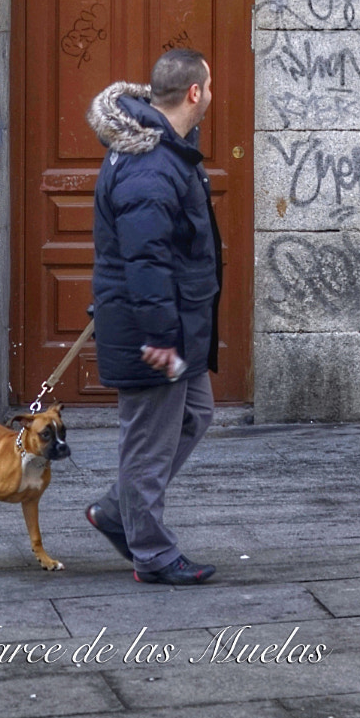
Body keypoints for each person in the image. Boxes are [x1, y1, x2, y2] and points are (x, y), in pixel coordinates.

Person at [83, 48, 223, 585]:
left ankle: (120, 509)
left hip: (176, 324)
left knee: (195, 414)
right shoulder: (148, 164)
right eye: (208, 86)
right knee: (149, 439)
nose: (211, 94)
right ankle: (154, 555)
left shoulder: (166, 149)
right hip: (155, 333)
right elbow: (145, 261)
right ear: (194, 93)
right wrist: (162, 338)